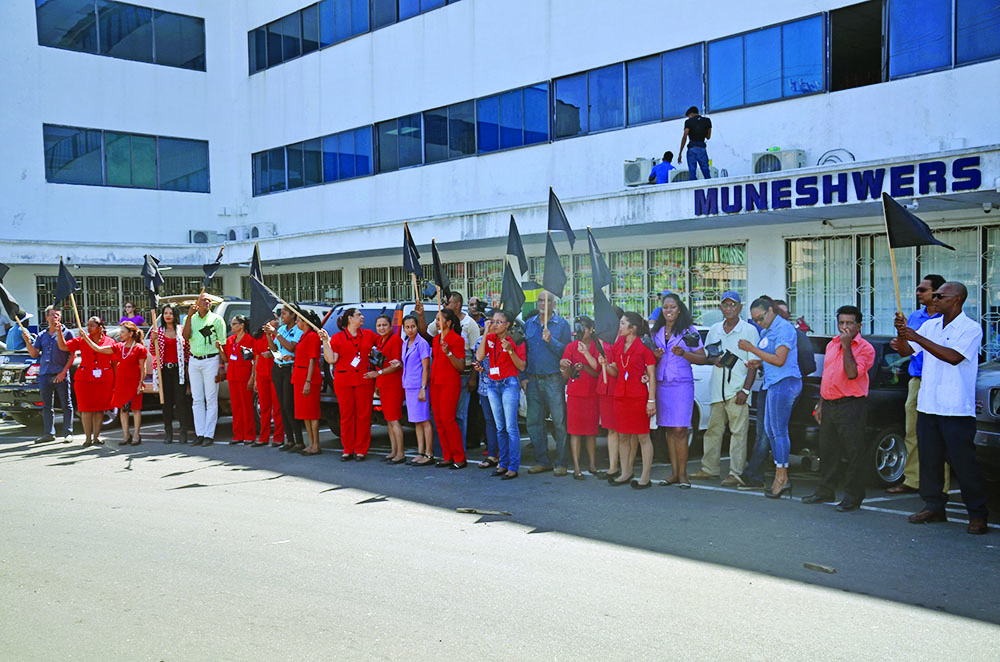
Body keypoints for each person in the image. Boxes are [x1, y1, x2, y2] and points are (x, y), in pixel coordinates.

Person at [894, 282, 989, 535]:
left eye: (939, 296)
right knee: (930, 461)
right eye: (933, 295)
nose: (934, 299)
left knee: (964, 463)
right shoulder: (931, 325)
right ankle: (934, 506)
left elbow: (953, 357)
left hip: (956, 408)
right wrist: (904, 334)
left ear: (956, 300)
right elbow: (906, 351)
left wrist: (917, 337)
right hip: (929, 405)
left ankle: (977, 514)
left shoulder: (971, 328)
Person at [802, 306, 876, 511]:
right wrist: (821, 403)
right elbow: (828, 376)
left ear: (859, 326)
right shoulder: (832, 344)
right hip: (830, 403)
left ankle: (853, 495)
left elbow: (852, 373)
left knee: (853, 452)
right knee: (827, 450)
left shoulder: (865, 348)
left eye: (849, 323)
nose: (844, 327)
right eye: (841, 323)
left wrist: (847, 347)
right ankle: (825, 489)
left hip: (851, 405)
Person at [740, 298, 815, 491]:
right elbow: (772, 359)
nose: (758, 322)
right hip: (772, 383)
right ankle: (781, 476)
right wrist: (758, 363)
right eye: (755, 320)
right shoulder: (767, 330)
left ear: (771, 311)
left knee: (778, 431)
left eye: (760, 317)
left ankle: (782, 477)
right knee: (770, 431)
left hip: (785, 383)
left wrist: (752, 349)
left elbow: (780, 360)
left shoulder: (784, 329)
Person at [691, 292, 759, 486]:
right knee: (712, 430)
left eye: (733, 305)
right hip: (717, 390)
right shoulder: (714, 330)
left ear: (739, 308)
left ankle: (736, 472)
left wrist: (746, 390)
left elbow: (753, 364)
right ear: (720, 308)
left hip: (737, 389)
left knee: (738, 432)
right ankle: (709, 468)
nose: (729, 308)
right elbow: (707, 356)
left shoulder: (748, 330)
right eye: (725, 305)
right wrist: (715, 360)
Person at [890, 274, 948, 495]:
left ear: (937, 292)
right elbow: (907, 347)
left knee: (940, 433)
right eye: (918, 289)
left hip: (939, 381)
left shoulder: (946, 319)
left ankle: (941, 484)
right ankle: (913, 479)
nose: (918, 293)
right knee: (912, 430)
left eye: (923, 290)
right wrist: (900, 338)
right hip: (917, 379)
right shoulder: (914, 317)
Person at [652, 293, 706, 488]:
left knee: (680, 429)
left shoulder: (688, 331)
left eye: (672, 307)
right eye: (665, 307)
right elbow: (650, 361)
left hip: (681, 384)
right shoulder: (656, 331)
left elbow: (702, 357)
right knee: (668, 429)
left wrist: (684, 353)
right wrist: (656, 356)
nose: (668, 310)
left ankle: (683, 474)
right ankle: (673, 473)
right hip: (663, 384)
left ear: (679, 309)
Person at [415, 292, 481, 447]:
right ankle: (444, 451)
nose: (444, 305)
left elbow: (476, 352)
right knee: (439, 416)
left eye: (447, 302)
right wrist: (421, 315)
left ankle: (460, 449)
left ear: (457, 304)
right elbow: (425, 334)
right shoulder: (439, 329)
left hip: (463, 375)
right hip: (441, 377)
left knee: (458, 415)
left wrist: (473, 377)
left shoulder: (469, 324)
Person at [602, 311, 657, 488]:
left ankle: (645, 476)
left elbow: (651, 376)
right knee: (623, 435)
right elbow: (616, 372)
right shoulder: (618, 347)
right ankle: (626, 471)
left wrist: (651, 400)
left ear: (632, 329)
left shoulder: (644, 348)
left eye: (623, 324)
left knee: (643, 436)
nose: (620, 327)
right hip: (621, 396)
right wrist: (605, 365)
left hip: (638, 396)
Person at [320, 307, 378, 461]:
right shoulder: (338, 338)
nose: (362, 317)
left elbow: (383, 346)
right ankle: (347, 449)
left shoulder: (369, 334)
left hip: (364, 380)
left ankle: (361, 449)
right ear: (350, 319)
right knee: (346, 415)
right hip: (344, 381)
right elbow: (331, 359)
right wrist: (326, 342)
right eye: (359, 315)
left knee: (364, 416)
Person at [525, 290, 571, 475]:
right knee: (534, 422)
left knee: (559, 422)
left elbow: (567, 353)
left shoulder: (562, 325)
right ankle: (542, 460)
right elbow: (525, 352)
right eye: (541, 300)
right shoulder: (530, 324)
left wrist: (551, 341)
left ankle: (561, 462)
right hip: (533, 380)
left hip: (553, 379)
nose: (544, 303)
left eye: (548, 300)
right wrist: (523, 377)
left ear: (554, 304)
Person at [479, 309, 527, 480]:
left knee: (510, 427)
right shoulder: (491, 338)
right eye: (493, 321)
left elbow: (521, 366)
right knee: (499, 426)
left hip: (509, 383)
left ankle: (513, 466)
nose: (495, 324)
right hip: (492, 383)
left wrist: (510, 351)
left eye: (499, 322)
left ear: (507, 325)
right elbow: (479, 355)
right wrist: (486, 332)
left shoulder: (516, 340)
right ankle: (503, 463)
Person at [86, 320, 147, 446]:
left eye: (123, 332)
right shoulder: (119, 346)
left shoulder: (140, 348)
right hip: (121, 382)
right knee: (123, 410)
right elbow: (99, 349)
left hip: (134, 381)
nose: (120, 334)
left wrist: (141, 383)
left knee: (135, 409)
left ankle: (136, 434)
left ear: (130, 334)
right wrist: (86, 338)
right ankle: (126, 434)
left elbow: (143, 367)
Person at [57, 316, 114, 447]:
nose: (88, 328)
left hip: (103, 379)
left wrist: (115, 381)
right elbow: (63, 346)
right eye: (88, 325)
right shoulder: (82, 339)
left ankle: (96, 437)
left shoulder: (110, 341)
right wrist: (59, 331)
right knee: (86, 409)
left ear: (100, 328)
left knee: (100, 410)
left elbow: (114, 360)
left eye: (92, 325)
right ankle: (88, 438)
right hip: (85, 379)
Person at [22, 306, 74, 444]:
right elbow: (34, 353)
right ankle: (48, 433)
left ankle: (68, 432)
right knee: (46, 405)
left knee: (66, 404)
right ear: (47, 318)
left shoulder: (67, 333)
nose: (55, 317)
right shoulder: (42, 335)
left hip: (60, 373)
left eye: (57, 315)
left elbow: (72, 354)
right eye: (52, 315)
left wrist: (64, 372)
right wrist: (28, 341)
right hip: (45, 373)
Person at [182, 294, 226, 446]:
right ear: (197, 303)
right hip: (195, 360)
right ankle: (199, 433)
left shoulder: (217, 319)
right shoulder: (191, 318)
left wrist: (221, 366)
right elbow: (186, 336)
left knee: (211, 398)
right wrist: (188, 316)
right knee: (197, 399)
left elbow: (222, 344)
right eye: (203, 300)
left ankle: (209, 434)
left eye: (209, 300)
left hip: (211, 360)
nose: (207, 302)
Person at [560, 316, 601, 479]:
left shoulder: (596, 347)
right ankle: (577, 466)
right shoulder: (571, 347)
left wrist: (584, 365)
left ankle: (592, 464)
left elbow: (598, 371)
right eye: (578, 327)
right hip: (575, 392)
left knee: (591, 431)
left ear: (591, 330)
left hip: (592, 392)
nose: (579, 331)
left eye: (583, 327)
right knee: (575, 431)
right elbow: (566, 375)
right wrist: (564, 367)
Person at [429, 308, 467, 469]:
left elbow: (461, 366)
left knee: (448, 420)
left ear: (449, 322)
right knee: (438, 421)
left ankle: (459, 457)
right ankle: (447, 456)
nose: (437, 322)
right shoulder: (436, 339)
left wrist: (448, 352)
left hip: (449, 384)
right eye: (436, 319)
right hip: (435, 383)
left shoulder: (457, 340)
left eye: (439, 319)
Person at [365, 314, 405, 463]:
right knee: (388, 420)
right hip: (383, 384)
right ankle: (393, 450)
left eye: (384, 325)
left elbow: (395, 365)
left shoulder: (395, 340)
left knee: (394, 419)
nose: (381, 328)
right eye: (379, 325)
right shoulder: (381, 341)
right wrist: (378, 382)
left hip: (393, 384)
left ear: (390, 326)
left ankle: (400, 453)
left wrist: (378, 373)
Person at [151, 304, 191, 444]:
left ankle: (183, 432)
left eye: (170, 313)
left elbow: (187, 350)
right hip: (164, 371)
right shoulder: (158, 331)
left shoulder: (181, 330)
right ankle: (168, 432)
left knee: (180, 402)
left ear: (175, 315)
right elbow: (152, 350)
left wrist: (186, 367)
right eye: (165, 313)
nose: (168, 315)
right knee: (166, 403)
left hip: (178, 370)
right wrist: (154, 339)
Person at [268, 306, 304, 451]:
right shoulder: (282, 329)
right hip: (278, 367)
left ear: (293, 315)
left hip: (290, 368)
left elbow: (290, 347)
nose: (281, 316)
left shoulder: (298, 330)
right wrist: (268, 335)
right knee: (282, 405)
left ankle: (299, 441)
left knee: (289, 404)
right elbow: (274, 349)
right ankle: (289, 440)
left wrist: (276, 333)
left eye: (284, 313)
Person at [400, 314, 433, 466]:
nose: (410, 330)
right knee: (416, 421)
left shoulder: (422, 343)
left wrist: (423, 388)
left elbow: (426, 367)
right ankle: (420, 451)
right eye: (407, 327)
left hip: (420, 385)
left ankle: (429, 453)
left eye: (413, 326)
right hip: (409, 385)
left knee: (425, 420)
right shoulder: (405, 343)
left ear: (417, 327)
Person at [220, 315, 255, 445]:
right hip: (233, 377)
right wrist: (220, 350)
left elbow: (253, 360)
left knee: (246, 406)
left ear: (241, 326)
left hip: (245, 376)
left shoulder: (249, 340)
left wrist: (253, 377)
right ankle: (238, 434)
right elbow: (227, 359)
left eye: (234, 323)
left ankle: (249, 434)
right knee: (236, 407)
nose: (231, 326)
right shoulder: (230, 340)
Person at [292, 311, 323, 455]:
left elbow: (312, 360)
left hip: (308, 378)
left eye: (299, 320)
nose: (297, 322)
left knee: (312, 413)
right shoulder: (303, 336)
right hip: (299, 377)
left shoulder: (312, 336)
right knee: (305, 414)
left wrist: (308, 381)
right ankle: (310, 443)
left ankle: (316, 445)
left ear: (305, 322)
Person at [250, 325, 284, 448]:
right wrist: (254, 377)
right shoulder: (258, 336)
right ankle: (263, 437)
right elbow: (256, 357)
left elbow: (282, 354)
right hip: (262, 374)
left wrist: (272, 354)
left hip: (275, 373)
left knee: (277, 406)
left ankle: (279, 436)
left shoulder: (279, 335)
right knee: (264, 407)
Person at [472, 315, 499, 469]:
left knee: (503, 423)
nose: (492, 324)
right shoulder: (479, 341)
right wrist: (478, 367)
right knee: (490, 421)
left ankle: (504, 453)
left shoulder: (502, 340)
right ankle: (492, 454)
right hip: (485, 387)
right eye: (490, 322)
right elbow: (478, 358)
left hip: (502, 387)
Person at [678, 105, 712, 180]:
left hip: (692, 148)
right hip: (702, 148)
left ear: (691, 114)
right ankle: (710, 187)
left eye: (689, 116)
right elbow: (708, 136)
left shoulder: (688, 122)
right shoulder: (707, 121)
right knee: (706, 171)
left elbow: (685, 136)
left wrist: (680, 153)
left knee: (692, 171)